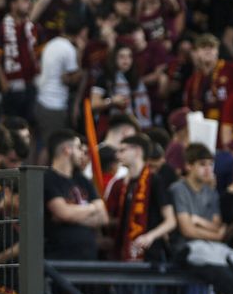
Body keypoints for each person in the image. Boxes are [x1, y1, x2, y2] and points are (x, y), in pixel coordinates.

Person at [171, 143, 233, 294]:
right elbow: (187, 229)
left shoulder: (211, 192)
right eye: (202, 164)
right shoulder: (178, 189)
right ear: (189, 165)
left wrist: (198, 221)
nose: (208, 169)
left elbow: (218, 226)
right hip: (188, 248)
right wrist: (215, 234)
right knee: (226, 278)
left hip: (214, 247)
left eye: (210, 164)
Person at [104, 134, 175, 262]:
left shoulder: (155, 181)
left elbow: (170, 221)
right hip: (125, 251)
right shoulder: (122, 184)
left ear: (137, 151)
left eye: (122, 150)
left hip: (150, 254)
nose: (117, 155)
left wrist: (150, 236)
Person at [43, 129, 107, 261]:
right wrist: (91, 208)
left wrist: (72, 217)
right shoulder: (48, 178)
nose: (82, 153)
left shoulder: (82, 179)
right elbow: (64, 213)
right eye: (78, 148)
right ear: (67, 150)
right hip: (61, 258)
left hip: (89, 258)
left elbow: (103, 217)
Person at [35, 16, 87, 151]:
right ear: (81, 32)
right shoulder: (68, 49)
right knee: (51, 148)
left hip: (42, 99)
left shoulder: (52, 43)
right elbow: (71, 79)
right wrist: (80, 53)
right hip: (54, 105)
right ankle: (40, 173)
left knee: (40, 145)